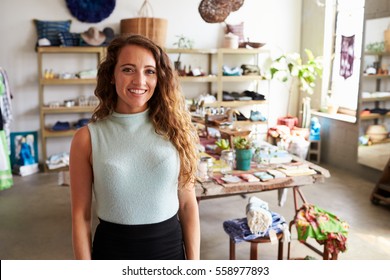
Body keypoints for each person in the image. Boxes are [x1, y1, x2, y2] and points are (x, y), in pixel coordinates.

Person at [69, 34, 200, 260]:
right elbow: (81, 217)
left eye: (149, 71)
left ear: (159, 78)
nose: (140, 81)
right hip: (112, 253)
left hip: (169, 252)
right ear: (112, 75)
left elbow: (187, 205)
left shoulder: (176, 132)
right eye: (128, 69)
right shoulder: (87, 138)